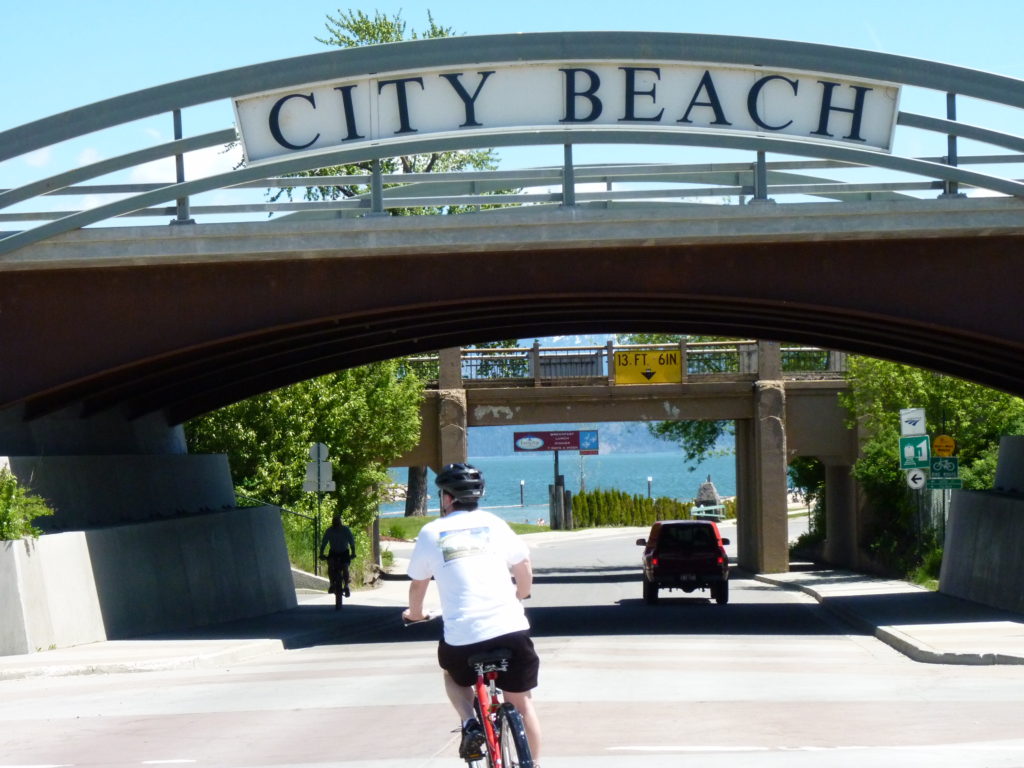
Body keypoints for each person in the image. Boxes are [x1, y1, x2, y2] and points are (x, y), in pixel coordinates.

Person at [403, 463, 542, 765]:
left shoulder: (431, 532)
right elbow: (524, 566)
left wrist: (414, 614)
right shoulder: (494, 523)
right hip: (510, 628)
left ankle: (469, 722)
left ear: (447, 498)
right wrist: (520, 595)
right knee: (522, 704)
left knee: (453, 675)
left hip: (463, 636)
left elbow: (418, 586)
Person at [319, 512, 356, 601]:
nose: (336, 524)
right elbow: (324, 543)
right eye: (334, 522)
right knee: (331, 566)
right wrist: (321, 553)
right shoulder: (329, 531)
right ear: (332, 523)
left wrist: (353, 552)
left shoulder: (346, 530)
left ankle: (346, 585)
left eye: (337, 522)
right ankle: (332, 584)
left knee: (345, 567)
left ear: (340, 522)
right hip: (333, 552)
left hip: (344, 552)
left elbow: (351, 542)